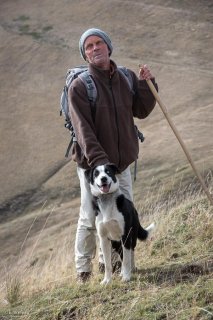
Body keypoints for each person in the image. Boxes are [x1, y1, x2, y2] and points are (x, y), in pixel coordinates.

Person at [68, 28, 158, 282]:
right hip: (93, 168)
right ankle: (83, 271)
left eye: (99, 43)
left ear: (108, 47)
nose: (95, 48)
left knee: (124, 216)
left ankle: (118, 265)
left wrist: (146, 85)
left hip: (120, 165)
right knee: (90, 216)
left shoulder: (127, 77)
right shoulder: (80, 87)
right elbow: (83, 131)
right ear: (85, 55)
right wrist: (100, 168)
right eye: (89, 46)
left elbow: (141, 110)